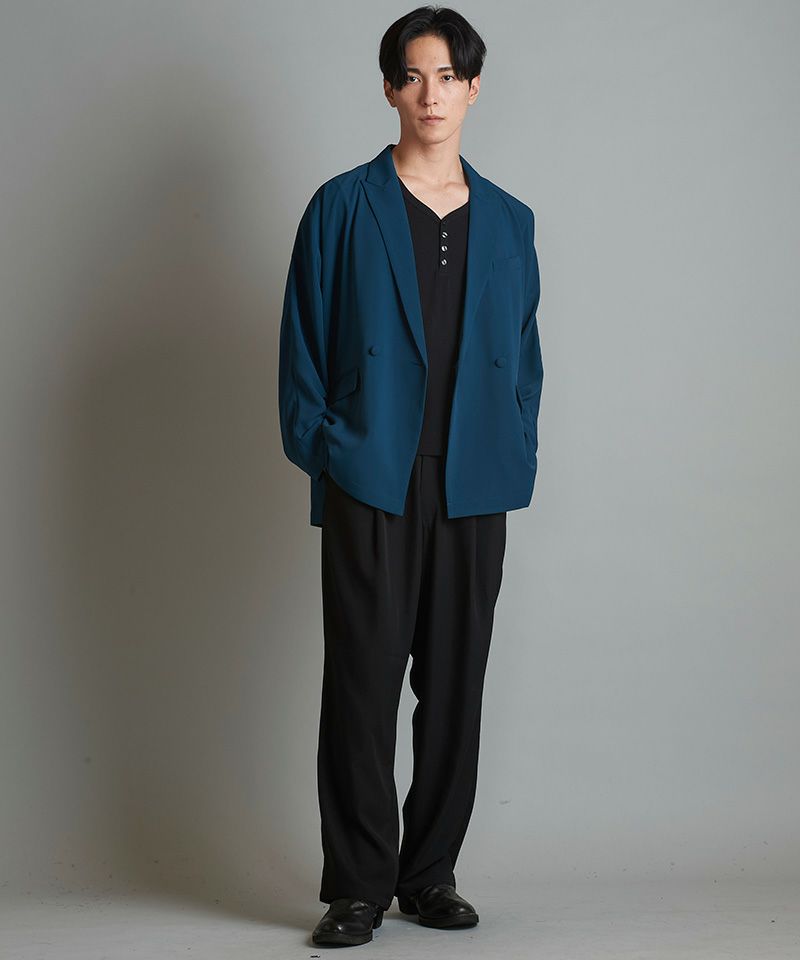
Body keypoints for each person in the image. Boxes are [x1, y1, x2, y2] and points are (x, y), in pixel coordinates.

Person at [278, 5, 544, 948]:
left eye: (449, 76)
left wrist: (516, 445)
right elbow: (302, 344)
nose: (432, 94)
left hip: (474, 481)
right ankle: (357, 886)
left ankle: (429, 875)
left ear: (474, 89)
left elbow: (526, 355)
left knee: (456, 684)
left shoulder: (509, 220)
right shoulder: (341, 206)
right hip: (373, 475)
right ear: (391, 87)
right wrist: (330, 449)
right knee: (361, 682)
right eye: (414, 75)